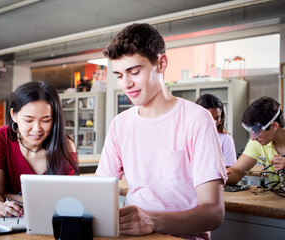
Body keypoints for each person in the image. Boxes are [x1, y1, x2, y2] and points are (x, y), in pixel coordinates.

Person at [95, 23, 227, 239]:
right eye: (119, 75)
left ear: (162, 63)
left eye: (134, 72)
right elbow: (99, 191)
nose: (126, 84)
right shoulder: (120, 124)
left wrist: (151, 221)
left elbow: (213, 214)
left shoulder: (197, 119)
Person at [0, 81, 78, 218]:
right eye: (28, 120)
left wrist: (7, 195)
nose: (37, 129)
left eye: (46, 120)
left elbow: (64, 200)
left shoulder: (65, 146)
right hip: (12, 222)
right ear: (14, 115)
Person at [227, 96, 285, 185]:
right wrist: (218, 177)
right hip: (275, 198)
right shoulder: (258, 142)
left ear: (274, 126)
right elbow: (237, 171)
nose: (253, 138)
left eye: (257, 131)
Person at [196, 94, 237, 167]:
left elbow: (230, 169)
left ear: (221, 118)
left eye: (217, 118)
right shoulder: (190, 138)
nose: (213, 122)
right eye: (209, 118)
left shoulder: (225, 139)